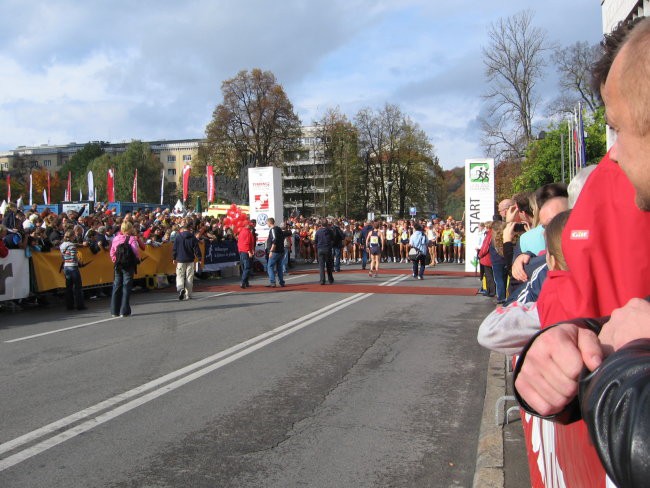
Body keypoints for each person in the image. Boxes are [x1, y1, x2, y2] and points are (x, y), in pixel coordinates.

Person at [513, 18, 650, 487]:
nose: (610, 155)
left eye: (616, 128)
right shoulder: (604, 192)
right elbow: (569, 298)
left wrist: (627, 359)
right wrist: (563, 345)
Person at [109, 221, 140, 317]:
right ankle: (124, 310)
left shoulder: (116, 239)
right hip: (128, 265)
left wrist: (115, 260)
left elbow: (112, 252)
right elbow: (135, 251)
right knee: (126, 286)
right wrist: (137, 259)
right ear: (130, 229)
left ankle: (114, 311)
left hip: (118, 264)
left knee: (117, 286)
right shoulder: (131, 239)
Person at [172, 220, 201, 300]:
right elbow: (196, 248)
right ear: (188, 229)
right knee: (189, 277)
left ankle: (181, 288)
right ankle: (188, 294)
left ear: (182, 229)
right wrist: (199, 257)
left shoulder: (178, 237)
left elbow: (174, 248)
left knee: (180, 275)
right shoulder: (192, 237)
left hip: (180, 259)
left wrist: (174, 258)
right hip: (190, 259)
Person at [60, 229, 86, 311]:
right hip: (73, 266)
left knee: (69, 287)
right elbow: (73, 257)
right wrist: (79, 262)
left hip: (66, 266)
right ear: (71, 236)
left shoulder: (62, 245)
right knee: (78, 287)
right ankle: (80, 305)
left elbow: (62, 257)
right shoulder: (72, 246)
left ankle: (69, 305)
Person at [265, 217, 285, 288]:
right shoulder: (279, 229)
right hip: (281, 251)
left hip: (275, 251)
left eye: (267, 222)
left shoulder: (273, 230)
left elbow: (274, 240)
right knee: (279, 267)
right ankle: (281, 282)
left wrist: (271, 251)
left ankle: (272, 282)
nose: (266, 224)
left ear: (270, 222)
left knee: (270, 266)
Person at [314, 219, 335, 285]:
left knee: (321, 266)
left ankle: (322, 280)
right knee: (329, 265)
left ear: (321, 224)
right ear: (327, 224)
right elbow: (333, 239)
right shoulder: (330, 231)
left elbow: (315, 241)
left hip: (320, 249)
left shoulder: (318, 231)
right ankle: (330, 279)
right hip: (327, 248)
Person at [237, 220, 255, 288]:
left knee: (244, 267)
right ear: (246, 225)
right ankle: (243, 282)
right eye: (249, 224)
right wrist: (249, 251)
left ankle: (246, 282)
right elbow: (246, 243)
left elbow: (240, 243)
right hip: (245, 251)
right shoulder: (247, 232)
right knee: (247, 267)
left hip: (242, 251)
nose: (250, 225)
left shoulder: (242, 232)